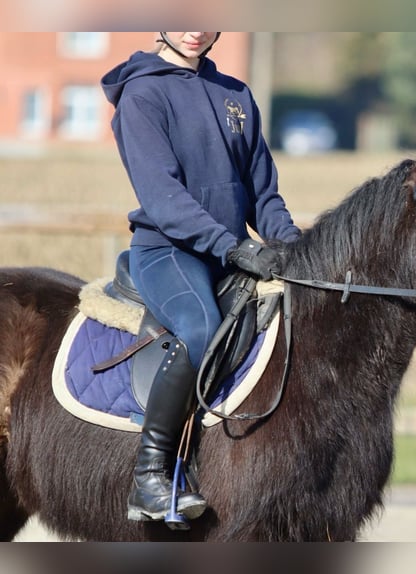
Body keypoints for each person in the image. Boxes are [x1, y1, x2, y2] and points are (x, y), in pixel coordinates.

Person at [101, 32, 301, 523]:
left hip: (229, 254)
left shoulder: (236, 95)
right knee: (199, 328)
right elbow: (165, 199)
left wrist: (297, 250)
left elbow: (264, 196)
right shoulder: (142, 94)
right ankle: (149, 475)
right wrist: (235, 248)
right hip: (169, 251)